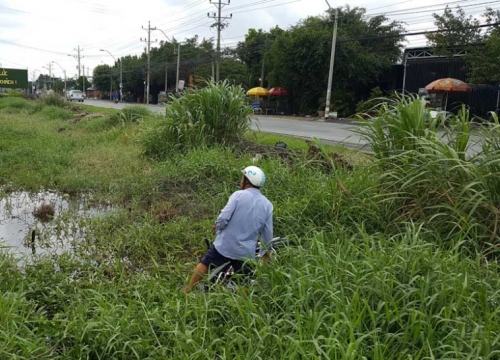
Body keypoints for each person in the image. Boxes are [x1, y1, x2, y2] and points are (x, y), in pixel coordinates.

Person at [182, 166, 273, 293]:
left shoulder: (238, 195)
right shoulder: (267, 205)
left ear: (247, 180)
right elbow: (267, 233)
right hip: (245, 252)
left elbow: (223, 218)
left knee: (205, 263)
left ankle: (188, 289)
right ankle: (240, 304)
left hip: (225, 246)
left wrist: (216, 227)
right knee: (245, 279)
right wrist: (265, 253)